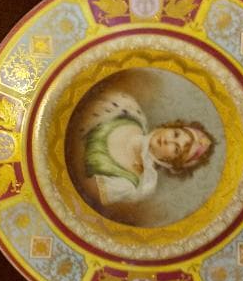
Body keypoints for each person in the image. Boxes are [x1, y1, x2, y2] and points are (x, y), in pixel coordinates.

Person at [72, 89, 215, 208]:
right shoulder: (128, 109)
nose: (169, 140)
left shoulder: (129, 184)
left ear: (171, 162)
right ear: (170, 127)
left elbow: (80, 192)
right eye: (176, 134)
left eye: (176, 149)